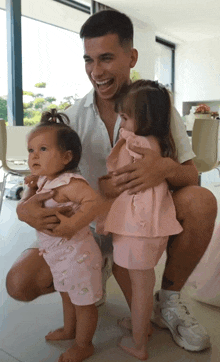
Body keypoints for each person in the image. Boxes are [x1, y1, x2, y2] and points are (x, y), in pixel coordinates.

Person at [7, 9, 217, 353]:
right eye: (89, 60)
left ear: (131, 57)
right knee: (20, 283)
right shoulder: (71, 118)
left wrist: (163, 168)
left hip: (136, 225)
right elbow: (42, 179)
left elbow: (191, 175)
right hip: (87, 226)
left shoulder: (157, 107)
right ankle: (96, 269)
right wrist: (24, 209)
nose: (96, 71)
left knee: (202, 200)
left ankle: (168, 300)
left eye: (106, 58)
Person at [97, 79, 184, 360]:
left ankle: (139, 343)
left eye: (124, 116)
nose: (120, 123)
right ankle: (140, 325)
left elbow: (118, 175)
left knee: (141, 287)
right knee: (142, 282)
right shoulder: (160, 143)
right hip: (151, 224)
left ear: (143, 118)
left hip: (138, 226)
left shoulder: (134, 142)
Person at [23, 109, 105, 362]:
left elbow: (94, 202)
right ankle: (70, 330)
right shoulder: (46, 181)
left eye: (43, 149)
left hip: (78, 255)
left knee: (83, 303)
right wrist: (30, 189)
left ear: (67, 156)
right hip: (58, 256)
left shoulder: (70, 183)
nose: (35, 156)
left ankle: (84, 344)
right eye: (31, 150)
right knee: (67, 295)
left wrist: (72, 226)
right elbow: (29, 207)